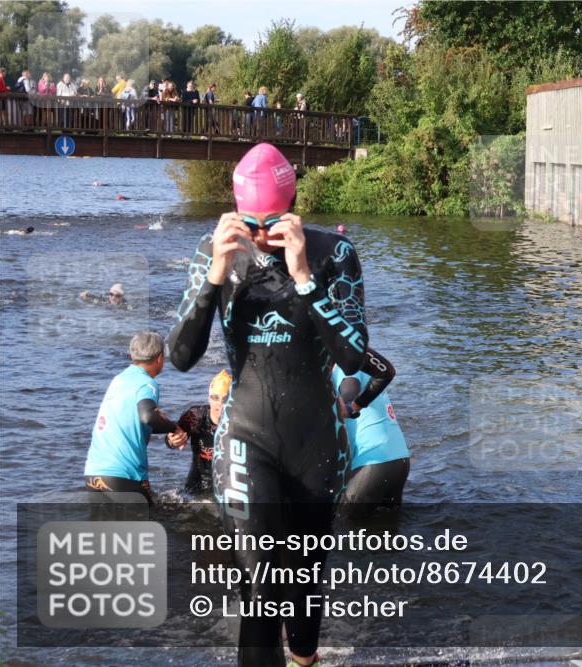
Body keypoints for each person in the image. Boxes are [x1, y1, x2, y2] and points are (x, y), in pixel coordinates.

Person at [167, 142, 367, 667]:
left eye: (272, 223)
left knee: (303, 585)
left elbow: (356, 356)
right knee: (261, 590)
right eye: (250, 223)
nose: (260, 236)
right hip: (247, 439)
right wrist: (214, 274)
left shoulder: (332, 254)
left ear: (294, 203)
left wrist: (303, 277)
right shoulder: (217, 253)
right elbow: (181, 356)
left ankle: (304, 657)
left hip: (317, 445)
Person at [84, 332, 188, 502]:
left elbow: (132, 422)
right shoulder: (146, 383)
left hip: (94, 474)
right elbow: (147, 416)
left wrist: (165, 425)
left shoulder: (119, 379)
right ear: (160, 358)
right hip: (123, 476)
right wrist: (173, 428)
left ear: (133, 355)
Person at [333, 348, 410, 518]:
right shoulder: (362, 364)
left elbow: (350, 387)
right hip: (399, 459)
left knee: (344, 529)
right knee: (387, 532)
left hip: (374, 463)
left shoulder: (343, 367)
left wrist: (345, 404)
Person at [176, 369, 231, 498]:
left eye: (225, 399)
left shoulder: (240, 421)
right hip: (198, 478)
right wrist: (173, 440)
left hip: (228, 481)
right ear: (209, 399)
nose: (219, 404)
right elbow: (171, 439)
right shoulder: (195, 416)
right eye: (215, 398)